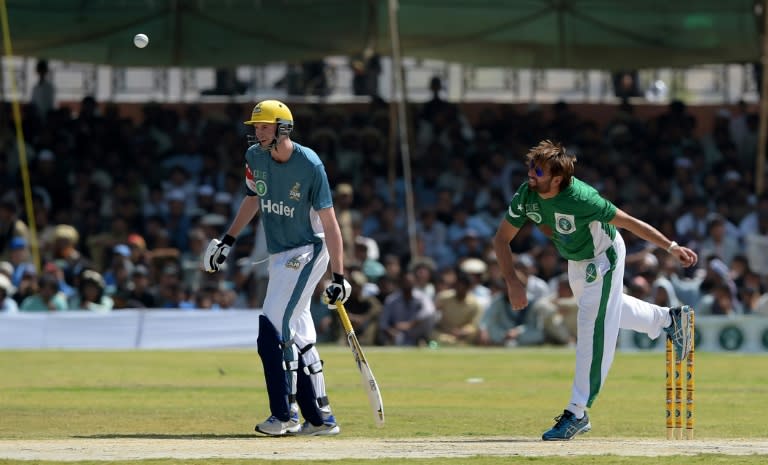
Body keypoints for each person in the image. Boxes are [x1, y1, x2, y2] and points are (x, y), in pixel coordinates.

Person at [493, 140, 697, 441]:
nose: (530, 175)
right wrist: (512, 280)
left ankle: (577, 411)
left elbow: (628, 222)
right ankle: (669, 320)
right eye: (530, 168)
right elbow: (501, 239)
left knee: (592, 323)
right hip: (576, 261)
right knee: (606, 311)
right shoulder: (527, 195)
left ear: (558, 179)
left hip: (605, 256)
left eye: (538, 171)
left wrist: (670, 246)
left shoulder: (583, 198)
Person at [203, 100, 350, 437]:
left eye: (265, 126)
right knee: (298, 330)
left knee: (272, 326)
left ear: (284, 128)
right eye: (256, 127)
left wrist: (339, 276)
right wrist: (227, 240)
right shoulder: (255, 157)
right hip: (280, 253)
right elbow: (253, 198)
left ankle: (285, 414)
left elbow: (331, 224)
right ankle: (320, 418)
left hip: (309, 250)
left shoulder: (310, 164)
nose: (258, 132)